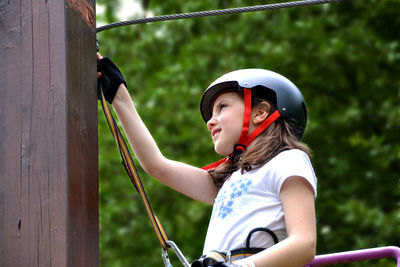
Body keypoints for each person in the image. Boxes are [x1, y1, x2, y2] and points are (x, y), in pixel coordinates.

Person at [97, 53, 317, 267]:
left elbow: (304, 244)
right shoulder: (228, 183)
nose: (210, 122)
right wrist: (118, 94)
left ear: (260, 112)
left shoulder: (288, 160)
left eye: (222, 107)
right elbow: (156, 165)